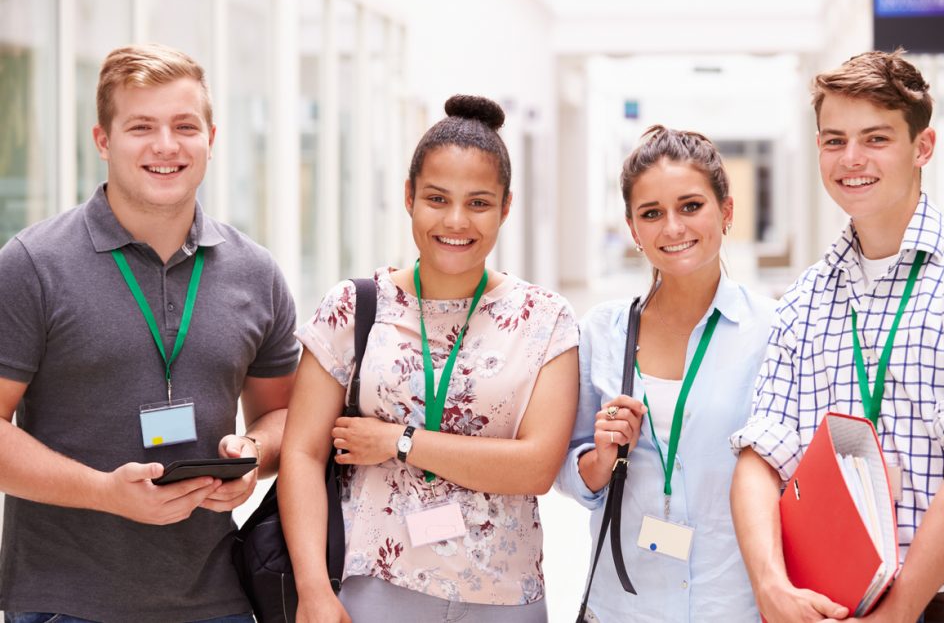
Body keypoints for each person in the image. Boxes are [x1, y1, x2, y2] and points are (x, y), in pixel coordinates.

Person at [0, 44, 299, 623]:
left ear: (212, 138)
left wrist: (253, 455)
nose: (166, 145)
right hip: (65, 604)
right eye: (141, 126)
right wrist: (102, 492)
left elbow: (285, 416)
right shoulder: (32, 265)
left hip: (219, 601)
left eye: (185, 126)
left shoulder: (255, 272)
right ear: (103, 140)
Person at [730, 49, 944, 623]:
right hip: (827, 606)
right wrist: (769, 587)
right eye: (834, 140)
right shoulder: (805, 299)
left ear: (924, 147)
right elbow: (758, 459)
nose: (852, 159)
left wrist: (897, 613)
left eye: (876, 138)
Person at [278, 94, 580, 623]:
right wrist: (312, 590)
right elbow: (301, 453)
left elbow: (536, 467)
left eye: (479, 202)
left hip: (504, 595)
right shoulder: (354, 307)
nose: (456, 221)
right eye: (437, 198)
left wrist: (400, 442)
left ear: (506, 207)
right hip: (373, 584)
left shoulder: (545, 319)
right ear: (409, 196)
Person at [556, 126, 776, 622]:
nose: (672, 228)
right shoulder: (603, 331)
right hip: (624, 604)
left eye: (691, 206)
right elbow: (570, 470)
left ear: (728, 212)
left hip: (733, 603)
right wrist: (600, 457)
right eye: (651, 214)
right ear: (634, 230)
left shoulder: (772, 330)